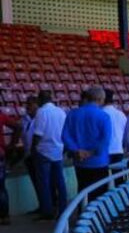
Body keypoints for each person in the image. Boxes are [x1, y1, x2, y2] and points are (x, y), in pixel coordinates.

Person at [62, 87, 113, 199]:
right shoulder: (104, 116)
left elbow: (65, 136)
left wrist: (76, 151)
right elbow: (105, 140)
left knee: (82, 192)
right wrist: (90, 153)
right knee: (99, 196)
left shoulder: (72, 114)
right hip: (98, 162)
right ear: (100, 99)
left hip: (79, 161)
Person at [29, 90, 67, 220]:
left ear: (40, 100)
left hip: (44, 151)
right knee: (60, 182)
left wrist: (33, 148)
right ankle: (63, 209)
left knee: (44, 183)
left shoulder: (42, 112)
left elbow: (38, 134)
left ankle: (47, 211)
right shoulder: (61, 111)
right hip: (58, 150)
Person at [103, 88, 127, 165]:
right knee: (118, 175)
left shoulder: (100, 113)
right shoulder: (121, 114)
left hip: (104, 151)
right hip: (118, 149)